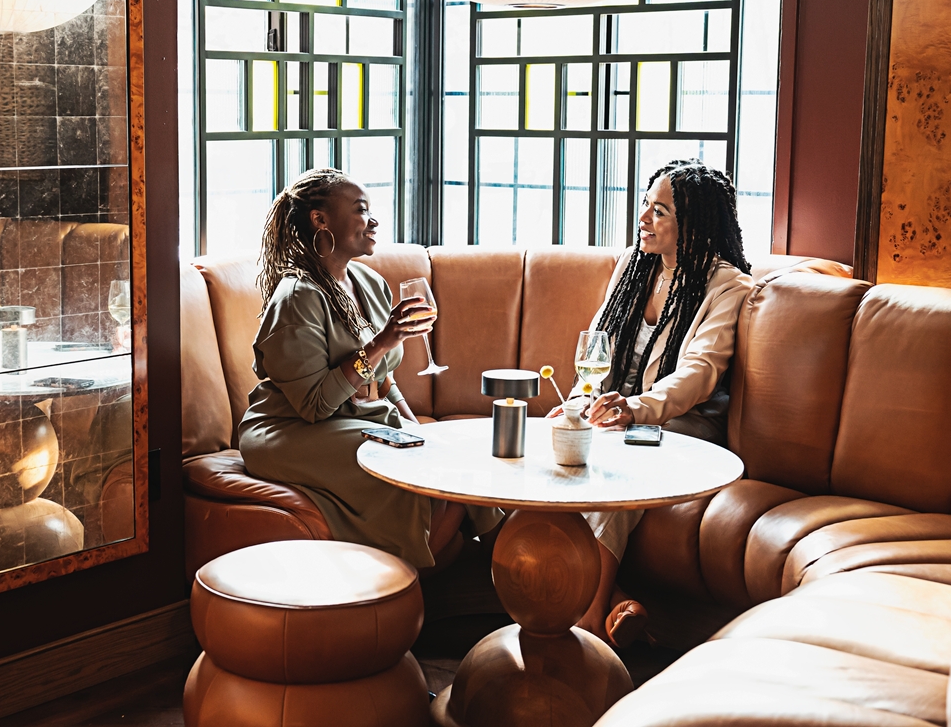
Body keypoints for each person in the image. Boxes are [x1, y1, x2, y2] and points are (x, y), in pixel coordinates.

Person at [239, 168, 503, 569]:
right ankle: (430, 567)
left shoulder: (368, 281)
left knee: (448, 454)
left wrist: (415, 426)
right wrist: (382, 342)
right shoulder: (297, 298)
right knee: (406, 463)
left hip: (355, 417)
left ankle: (517, 568)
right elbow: (314, 405)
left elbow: (384, 381)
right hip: (291, 429)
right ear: (320, 220)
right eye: (361, 210)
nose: (374, 221)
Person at [562, 159, 754, 647]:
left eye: (660, 211)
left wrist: (635, 408)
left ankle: (585, 626)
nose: (643, 218)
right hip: (617, 414)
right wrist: (580, 406)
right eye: (645, 205)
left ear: (691, 225)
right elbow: (597, 349)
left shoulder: (727, 285)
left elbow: (699, 373)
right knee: (553, 451)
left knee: (613, 470)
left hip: (681, 425)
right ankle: (614, 604)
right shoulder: (634, 264)